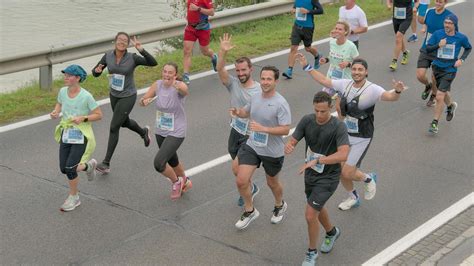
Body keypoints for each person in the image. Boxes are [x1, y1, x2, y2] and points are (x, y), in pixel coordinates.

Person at [296, 54, 407, 211]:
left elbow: (390, 97)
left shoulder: (372, 89)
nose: (356, 72)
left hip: (362, 136)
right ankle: (353, 197)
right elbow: (324, 81)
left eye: (360, 70)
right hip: (345, 134)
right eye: (354, 69)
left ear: (366, 72)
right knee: (341, 170)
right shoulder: (345, 84)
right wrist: (307, 66)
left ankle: (368, 178)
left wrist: (397, 91)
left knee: (347, 171)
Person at [285, 91, 350, 266]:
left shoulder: (338, 127)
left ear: (330, 108)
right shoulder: (307, 120)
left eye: (323, 111)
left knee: (310, 214)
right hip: (311, 174)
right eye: (317, 111)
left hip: (329, 177)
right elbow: (293, 140)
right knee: (316, 207)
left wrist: (319, 160)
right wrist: (290, 146)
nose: (320, 115)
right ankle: (332, 232)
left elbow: (343, 154)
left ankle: (311, 253)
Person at [230, 66, 291, 230]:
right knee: (241, 179)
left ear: (276, 81)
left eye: (269, 79)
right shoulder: (256, 97)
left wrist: (265, 129)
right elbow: (246, 112)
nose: (265, 82)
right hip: (253, 145)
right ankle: (250, 210)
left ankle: (280, 204)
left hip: (272, 151)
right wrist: (238, 112)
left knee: (272, 183)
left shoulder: (280, 103)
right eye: (263, 78)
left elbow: (285, 129)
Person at [92, 32, 158, 174]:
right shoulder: (108, 55)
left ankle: (106, 163)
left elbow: (153, 63)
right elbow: (96, 72)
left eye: (125, 41)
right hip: (114, 94)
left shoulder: (132, 58)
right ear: (115, 41)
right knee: (123, 122)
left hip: (128, 96)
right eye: (119, 39)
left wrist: (141, 49)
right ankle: (143, 132)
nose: (122, 42)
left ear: (128, 44)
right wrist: (97, 71)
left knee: (114, 126)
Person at [216, 33, 261, 206]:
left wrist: (242, 112)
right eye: (238, 70)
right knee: (238, 169)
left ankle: (248, 200)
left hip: (250, 136)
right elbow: (220, 69)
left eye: (244, 70)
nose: (241, 73)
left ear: (251, 70)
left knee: (236, 167)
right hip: (235, 130)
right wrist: (222, 52)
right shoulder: (233, 83)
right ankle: (251, 186)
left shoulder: (258, 91)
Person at [50, 64, 103, 211]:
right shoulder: (62, 91)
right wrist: (55, 112)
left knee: (70, 168)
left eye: (69, 75)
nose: (65, 78)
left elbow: (99, 115)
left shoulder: (86, 96)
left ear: (78, 78)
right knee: (63, 168)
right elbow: (59, 103)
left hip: (81, 135)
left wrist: (84, 118)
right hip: (67, 133)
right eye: (65, 75)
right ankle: (88, 166)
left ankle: (74, 197)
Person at [139, 63, 192, 199]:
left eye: (170, 73)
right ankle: (185, 181)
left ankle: (176, 182)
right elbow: (144, 99)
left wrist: (179, 86)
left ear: (175, 75)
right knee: (173, 160)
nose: (167, 75)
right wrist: (144, 101)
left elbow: (185, 91)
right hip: (161, 129)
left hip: (177, 130)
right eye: (165, 72)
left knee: (159, 163)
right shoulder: (158, 84)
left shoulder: (178, 85)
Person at [426, 14, 471, 134]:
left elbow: (468, 48)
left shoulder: (461, 38)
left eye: (449, 23)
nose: (446, 25)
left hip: (450, 69)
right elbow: (428, 48)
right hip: (436, 67)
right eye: (445, 22)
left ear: (454, 24)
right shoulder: (437, 34)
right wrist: (438, 45)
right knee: (443, 92)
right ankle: (450, 106)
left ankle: (434, 123)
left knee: (439, 95)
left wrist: (461, 59)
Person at [417, 0, 454, 107]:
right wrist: (424, 27)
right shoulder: (430, 12)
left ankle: (433, 95)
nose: (438, 3)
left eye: (440, 2)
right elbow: (424, 23)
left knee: (435, 77)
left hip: (440, 51)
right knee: (420, 75)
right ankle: (428, 86)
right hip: (427, 47)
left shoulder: (449, 16)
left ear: (445, 2)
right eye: (437, 1)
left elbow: (453, 34)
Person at [319, 21, 359, 119]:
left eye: (340, 29)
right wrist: (326, 59)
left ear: (346, 32)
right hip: (331, 79)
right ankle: (325, 124)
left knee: (339, 108)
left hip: (344, 82)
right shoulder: (332, 42)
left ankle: (342, 129)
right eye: (336, 28)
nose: (337, 30)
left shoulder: (351, 46)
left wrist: (348, 64)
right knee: (322, 102)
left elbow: (358, 63)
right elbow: (331, 56)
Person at [282, 0, 324, 79]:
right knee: (293, 47)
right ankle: (289, 71)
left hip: (308, 28)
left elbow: (321, 10)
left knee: (308, 48)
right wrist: (293, 10)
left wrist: (308, 11)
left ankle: (317, 55)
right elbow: (295, 7)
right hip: (297, 26)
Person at [182, 0, 217, 85]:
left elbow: (212, 12)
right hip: (190, 28)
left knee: (205, 51)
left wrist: (198, 9)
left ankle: (213, 56)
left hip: (203, 29)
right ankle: (185, 75)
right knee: (187, 51)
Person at [387, 0, 415, 71]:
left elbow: (417, 2)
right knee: (399, 38)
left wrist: (415, 7)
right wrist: (389, 5)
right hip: (396, 17)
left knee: (398, 37)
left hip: (407, 18)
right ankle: (405, 52)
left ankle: (394, 61)